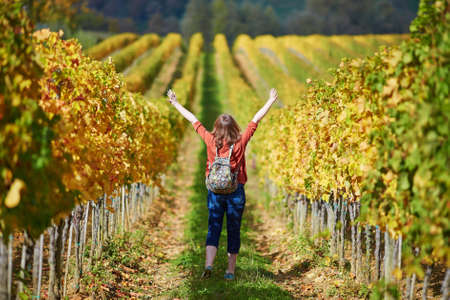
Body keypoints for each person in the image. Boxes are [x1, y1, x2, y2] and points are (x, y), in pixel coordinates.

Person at [167, 88, 278, 280]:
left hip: (215, 192)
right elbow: (255, 120)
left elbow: (193, 119)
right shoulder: (241, 142)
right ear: (234, 128)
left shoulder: (210, 140)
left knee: (214, 226)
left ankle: (208, 265)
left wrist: (176, 103)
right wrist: (270, 100)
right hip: (236, 191)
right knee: (233, 229)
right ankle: (230, 271)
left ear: (216, 128)